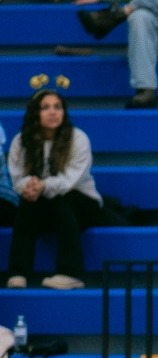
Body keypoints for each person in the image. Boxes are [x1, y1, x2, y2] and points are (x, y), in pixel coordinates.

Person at [5, 90, 101, 291]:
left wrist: (42, 186)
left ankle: (71, 273)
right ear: (35, 113)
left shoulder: (78, 138)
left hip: (82, 202)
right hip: (43, 203)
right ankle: (17, 272)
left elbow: (70, 180)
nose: (53, 112)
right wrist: (28, 187)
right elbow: (16, 177)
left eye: (57, 107)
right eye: (45, 107)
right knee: (27, 205)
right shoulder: (21, 141)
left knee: (60, 201)